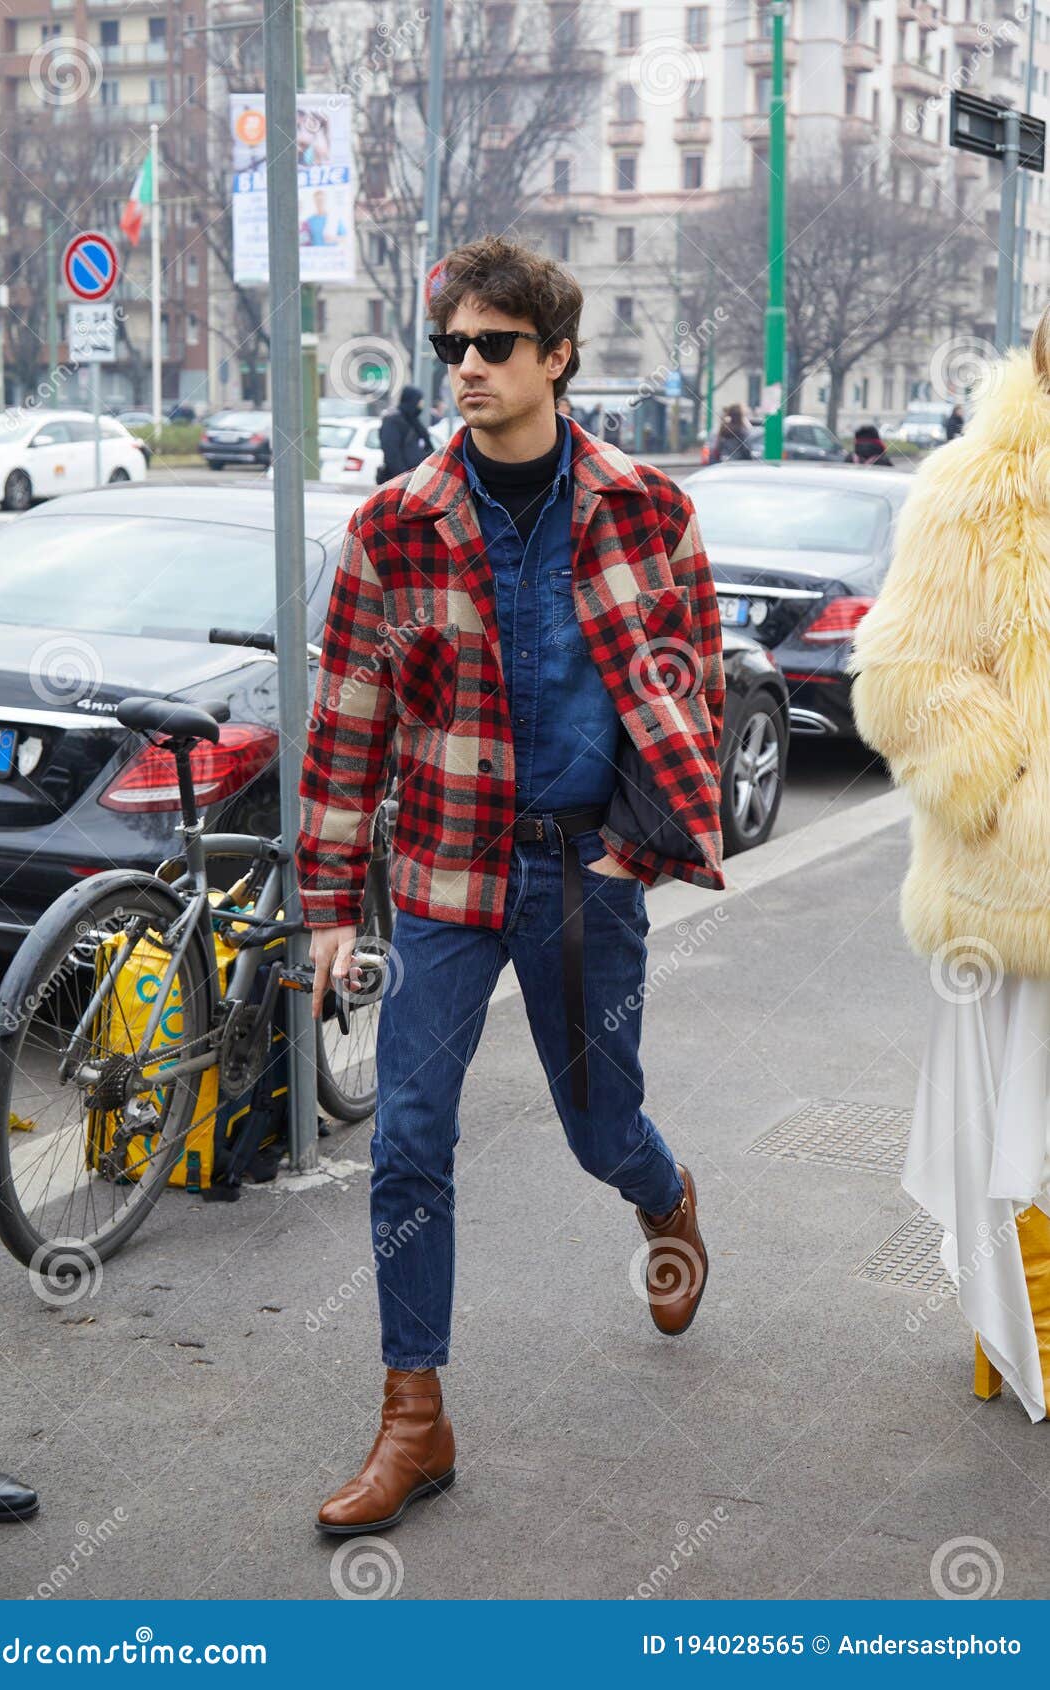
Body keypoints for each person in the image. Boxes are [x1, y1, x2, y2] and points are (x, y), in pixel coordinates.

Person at [296, 233, 724, 1537]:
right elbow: (346, 720)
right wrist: (324, 907)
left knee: (598, 1122)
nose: (466, 369)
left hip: (582, 872)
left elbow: (691, 685)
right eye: (450, 350)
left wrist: (636, 849)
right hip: (438, 870)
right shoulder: (395, 526)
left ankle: (658, 1190)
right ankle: (412, 1417)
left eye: (492, 346)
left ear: (555, 356)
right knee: (410, 1140)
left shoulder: (646, 507)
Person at [847, 318, 1050, 1422]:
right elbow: (897, 675)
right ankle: (1025, 1333)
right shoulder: (977, 486)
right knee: (1024, 1117)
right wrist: (1008, 794)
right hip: (1020, 885)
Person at [377, 384, 434, 482]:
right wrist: (404, 480)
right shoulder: (393, 421)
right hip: (400, 481)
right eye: (419, 400)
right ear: (412, 400)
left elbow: (427, 446)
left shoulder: (414, 421)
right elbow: (392, 454)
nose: (422, 404)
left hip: (417, 478)